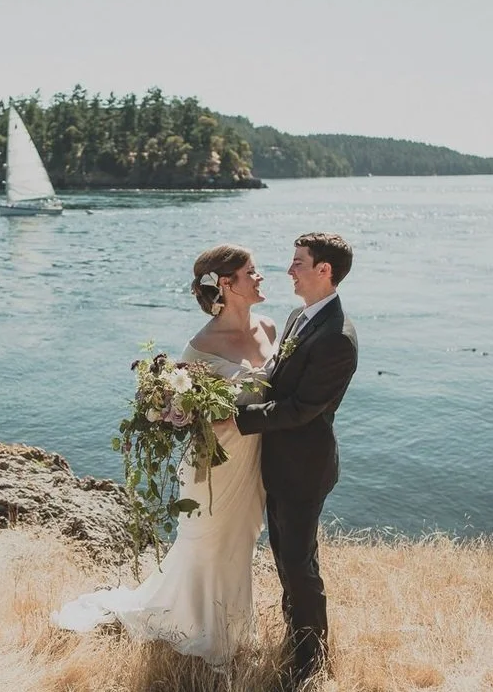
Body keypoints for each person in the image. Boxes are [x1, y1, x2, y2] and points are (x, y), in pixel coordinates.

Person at [52, 244, 274, 666]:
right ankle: (202, 633)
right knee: (206, 545)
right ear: (226, 284)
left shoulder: (271, 327)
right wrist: (176, 406)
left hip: (252, 463)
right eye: (252, 271)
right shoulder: (201, 345)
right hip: (211, 465)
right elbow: (185, 411)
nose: (261, 276)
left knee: (241, 542)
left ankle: (233, 629)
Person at [232, 232, 358, 688]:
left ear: (324, 270)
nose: (289, 270)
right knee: (285, 555)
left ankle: (310, 660)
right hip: (282, 463)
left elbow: (302, 409)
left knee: (300, 564)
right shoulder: (298, 316)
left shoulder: (337, 338)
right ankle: (296, 637)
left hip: (304, 469)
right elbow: (276, 382)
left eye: (298, 263)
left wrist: (235, 417)